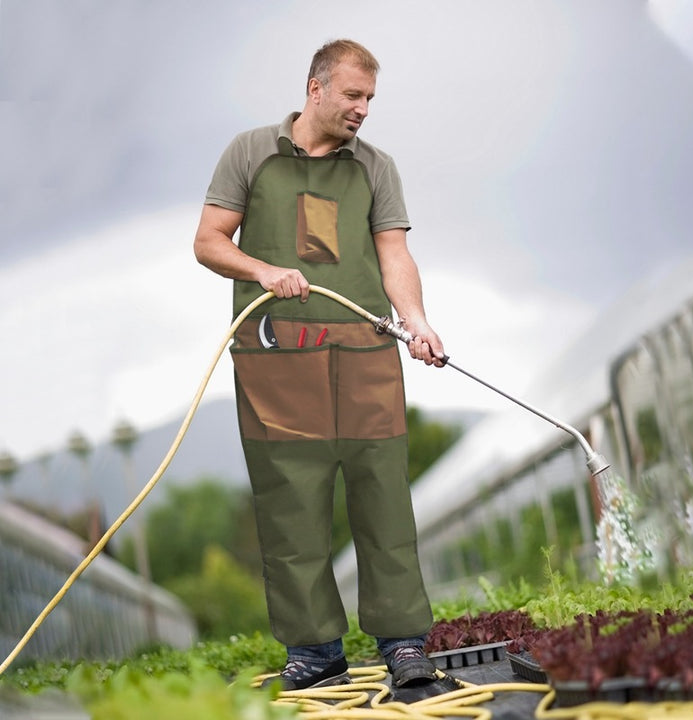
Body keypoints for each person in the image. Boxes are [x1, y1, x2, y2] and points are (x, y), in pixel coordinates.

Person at [194, 39, 445, 690]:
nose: (363, 109)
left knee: (384, 498)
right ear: (316, 88)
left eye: (370, 99)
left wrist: (415, 319)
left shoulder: (376, 168)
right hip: (276, 361)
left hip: (366, 355)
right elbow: (209, 241)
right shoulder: (251, 153)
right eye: (353, 96)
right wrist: (263, 270)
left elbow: (394, 255)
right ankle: (314, 650)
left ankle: (403, 643)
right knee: (291, 506)